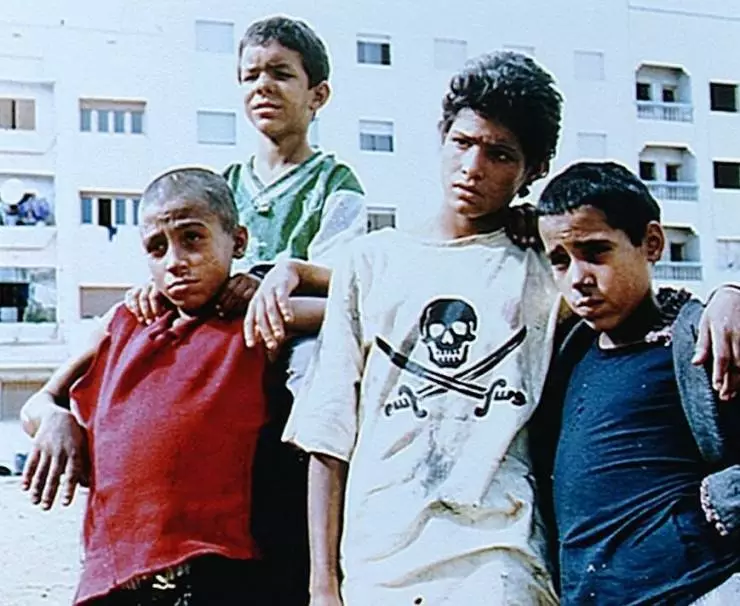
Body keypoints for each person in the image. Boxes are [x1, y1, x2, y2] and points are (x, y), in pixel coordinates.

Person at [245, 52, 740, 605]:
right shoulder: (370, 262)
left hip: (500, 560)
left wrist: (727, 295)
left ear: (533, 171)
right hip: (378, 560)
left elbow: (638, 297)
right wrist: (323, 585)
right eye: (462, 143)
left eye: (499, 154)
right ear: (442, 138)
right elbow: (329, 435)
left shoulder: (546, 265)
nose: (473, 167)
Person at [19, 167, 321, 605]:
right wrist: (54, 417)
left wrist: (289, 273)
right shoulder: (126, 322)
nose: (175, 261)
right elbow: (38, 402)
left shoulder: (253, 322)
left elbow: (367, 304)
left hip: (213, 576)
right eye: (157, 248)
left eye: (192, 238)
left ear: (238, 241)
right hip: (112, 582)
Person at [536, 161, 740, 605]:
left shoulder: (699, 343)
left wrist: (717, 509)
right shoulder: (569, 354)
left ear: (651, 243)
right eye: (560, 261)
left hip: (692, 591)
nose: (578, 279)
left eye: (596, 252)